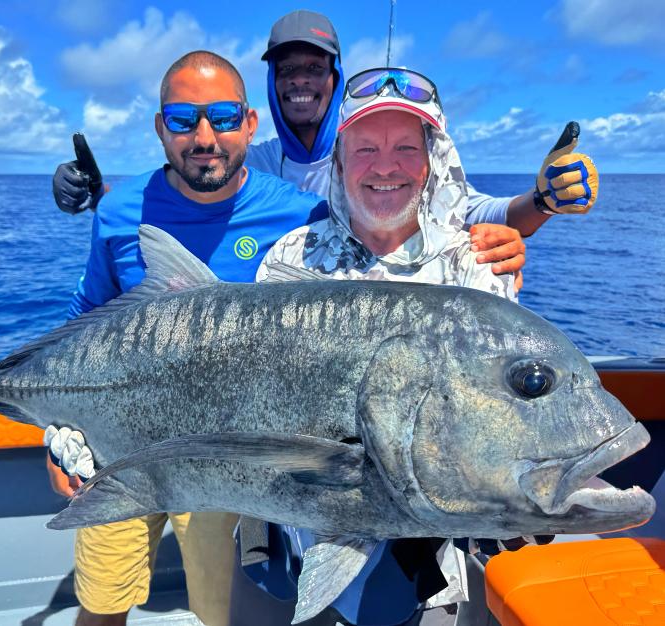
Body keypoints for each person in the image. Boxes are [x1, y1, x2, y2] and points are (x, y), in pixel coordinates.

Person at [244, 68, 537, 626]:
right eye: (365, 149)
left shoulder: (477, 265)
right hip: (304, 531)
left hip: (421, 560)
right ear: (338, 161)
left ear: (432, 161)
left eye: (406, 146)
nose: (385, 166)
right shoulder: (287, 260)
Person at [46, 50, 330, 626]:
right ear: (160, 128)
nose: (205, 137)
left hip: (227, 458)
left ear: (250, 123)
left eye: (223, 117)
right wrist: (58, 431)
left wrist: (495, 239)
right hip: (118, 445)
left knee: (222, 612)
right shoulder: (121, 210)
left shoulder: (304, 216)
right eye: (183, 120)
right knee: (101, 605)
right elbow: (86, 320)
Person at [53, 9, 598, 283]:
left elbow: (475, 211)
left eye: (314, 69)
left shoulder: (392, 165)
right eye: (288, 70)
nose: (301, 81)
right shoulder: (259, 162)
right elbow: (197, 175)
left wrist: (543, 201)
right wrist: (99, 193)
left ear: (334, 78)